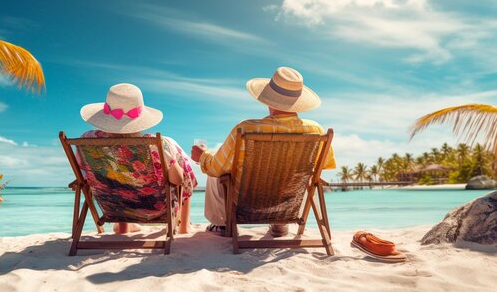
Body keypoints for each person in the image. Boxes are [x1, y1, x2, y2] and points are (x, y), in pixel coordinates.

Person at [190, 66, 335, 237]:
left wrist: (203, 157)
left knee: (215, 172)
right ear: (298, 101)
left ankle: (222, 225)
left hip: (248, 203)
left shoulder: (247, 128)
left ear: (268, 99)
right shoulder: (316, 130)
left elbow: (216, 167)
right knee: (304, 178)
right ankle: (280, 223)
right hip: (290, 203)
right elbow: (321, 167)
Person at [80, 83, 197, 234]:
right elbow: (178, 180)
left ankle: (124, 227)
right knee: (182, 170)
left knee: (116, 179)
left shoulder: (88, 140)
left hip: (114, 208)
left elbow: (86, 175)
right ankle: (184, 226)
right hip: (155, 208)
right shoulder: (158, 145)